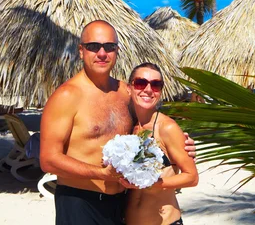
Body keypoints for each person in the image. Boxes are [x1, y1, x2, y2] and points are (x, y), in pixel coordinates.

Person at [40, 20, 196, 225]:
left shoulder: (125, 92)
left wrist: (184, 146)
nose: (102, 53)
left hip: (121, 204)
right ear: (81, 51)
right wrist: (103, 174)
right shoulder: (67, 96)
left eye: (109, 47)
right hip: (80, 202)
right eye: (93, 46)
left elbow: (152, 128)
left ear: (117, 51)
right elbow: (49, 159)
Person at [125, 63, 198, 225]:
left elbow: (192, 177)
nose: (148, 89)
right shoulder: (131, 127)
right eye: (140, 83)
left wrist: (152, 183)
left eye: (156, 85)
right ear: (129, 88)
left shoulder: (167, 128)